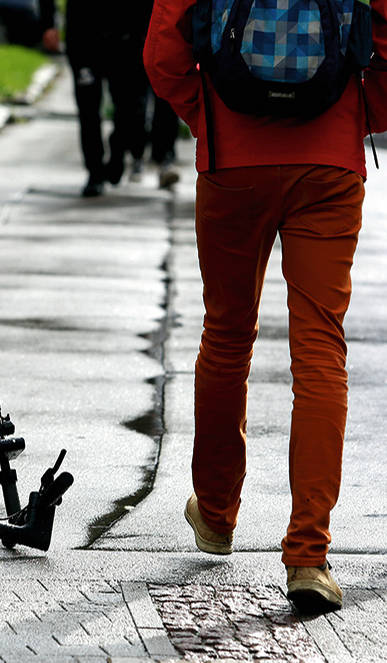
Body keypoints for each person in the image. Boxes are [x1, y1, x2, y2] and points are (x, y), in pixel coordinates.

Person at [145, 0, 387, 612]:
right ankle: (308, 552)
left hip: (232, 157)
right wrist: (357, 111)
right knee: (320, 350)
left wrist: (208, 116)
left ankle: (219, 515)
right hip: (329, 160)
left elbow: (163, 52)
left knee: (227, 336)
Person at [40, 0, 152, 197]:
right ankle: (94, 171)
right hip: (83, 37)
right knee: (88, 107)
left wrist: (147, 25)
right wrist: (49, 23)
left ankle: (118, 149)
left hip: (124, 36)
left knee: (128, 105)